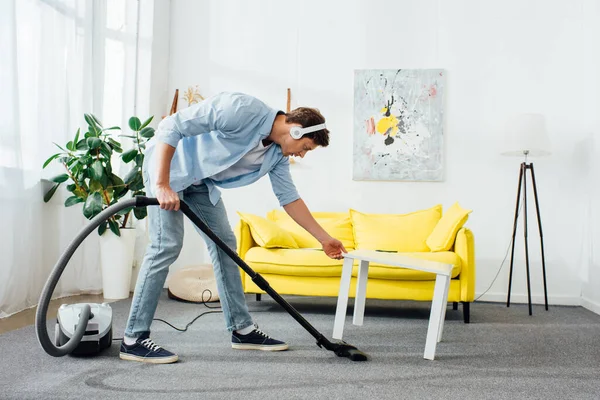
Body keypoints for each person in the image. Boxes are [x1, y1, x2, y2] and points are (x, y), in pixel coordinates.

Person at [119, 91, 347, 364]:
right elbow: (171, 126)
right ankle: (133, 338)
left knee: (226, 248)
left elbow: (290, 199)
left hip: (200, 183)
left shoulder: (275, 155)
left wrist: (324, 239)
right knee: (166, 245)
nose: (303, 154)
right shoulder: (240, 109)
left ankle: (242, 330)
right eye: (306, 148)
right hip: (170, 170)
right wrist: (161, 185)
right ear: (296, 131)